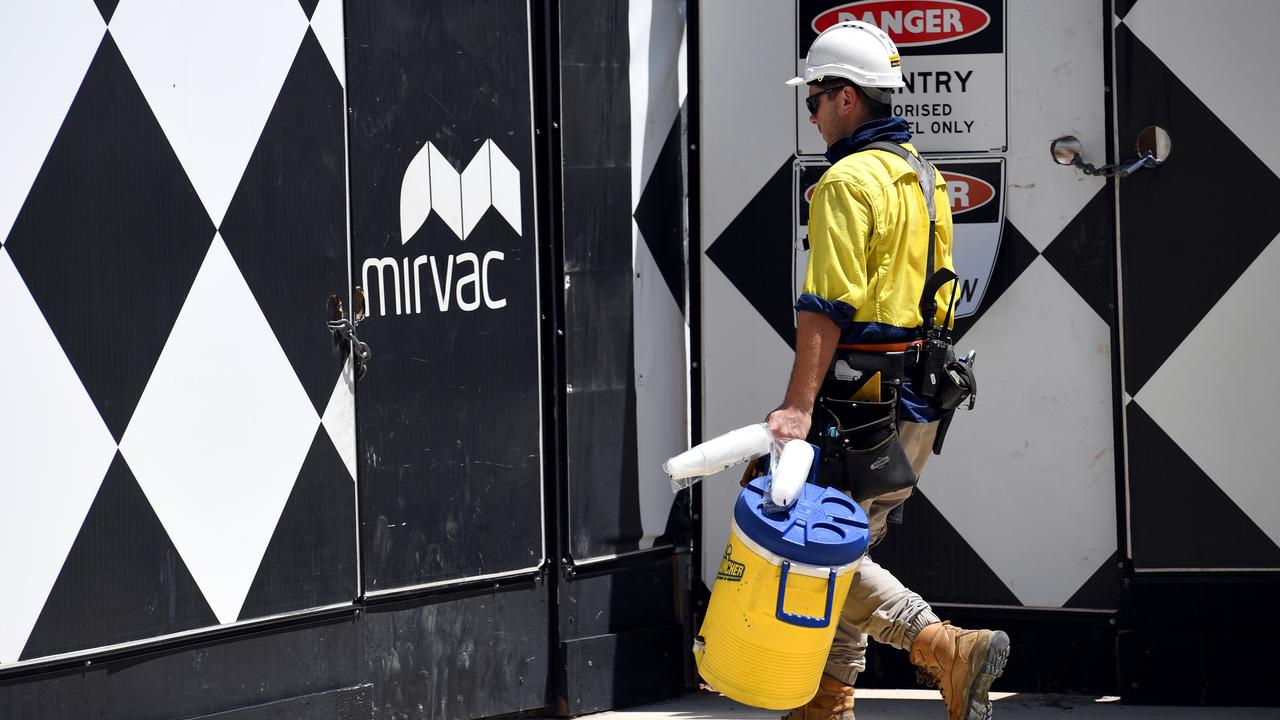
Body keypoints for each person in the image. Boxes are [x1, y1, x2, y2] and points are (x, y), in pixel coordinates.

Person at [764, 20, 1009, 720]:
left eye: (815, 100)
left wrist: (797, 408)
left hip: (860, 403)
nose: (813, 115)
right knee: (848, 546)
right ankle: (826, 704)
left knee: (819, 552)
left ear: (847, 97)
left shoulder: (846, 181)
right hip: (920, 400)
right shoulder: (923, 176)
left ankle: (942, 645)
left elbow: (826, 307)